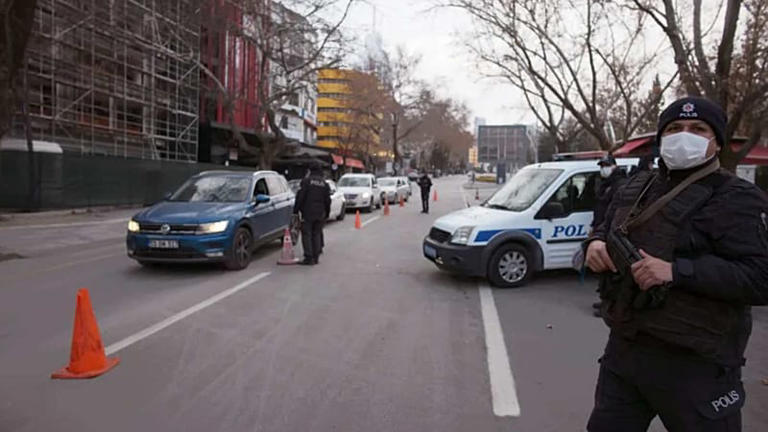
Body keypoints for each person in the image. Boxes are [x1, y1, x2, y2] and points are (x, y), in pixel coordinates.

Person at [584, 96, 768, 431]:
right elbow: (606, 225)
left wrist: (676, 271)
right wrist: (595, 242)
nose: (684, 135)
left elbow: (760, 278)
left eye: (698, 129)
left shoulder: (739, 197)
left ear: (716, 142)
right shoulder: (636, 186)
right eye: (674, 128)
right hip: (626, 351)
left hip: (697, 365)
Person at [591, 154, 628, 317]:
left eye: (606, 166)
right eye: (601, 166)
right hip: (601, 229)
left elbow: (616, 211)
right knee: (604, 272)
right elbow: (599, 207)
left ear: (614, 166)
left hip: (611, 232)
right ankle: (604, 300)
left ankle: (610, 305)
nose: (603, 169)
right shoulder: (605, 184)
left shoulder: (620, 184)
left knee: (611, 271)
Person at [293, 165, 331, 265]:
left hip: (307, 212)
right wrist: (327, 213)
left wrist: (296, 211)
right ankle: (316, 256)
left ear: (310, 171)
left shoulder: (306, 181)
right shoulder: (324, 184)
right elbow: (328, 200)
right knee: (317, 234)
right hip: (320, 212)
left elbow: (300, 197)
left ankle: (309, 257)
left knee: (307, 234)